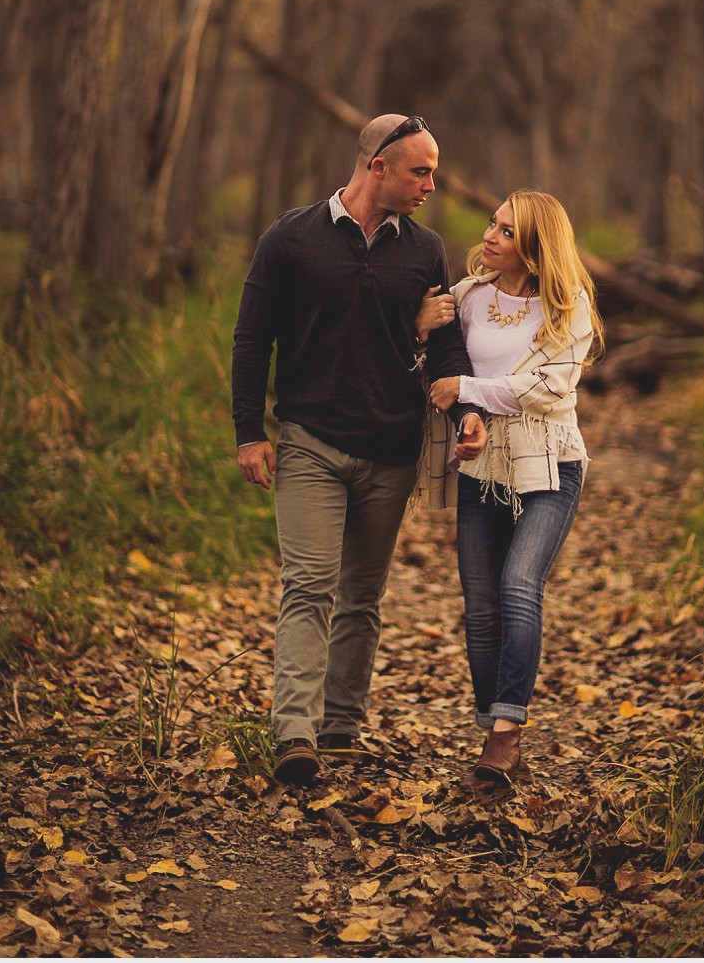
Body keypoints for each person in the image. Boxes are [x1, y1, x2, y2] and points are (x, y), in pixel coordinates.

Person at [232, 114, 488, 786]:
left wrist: (465, 407)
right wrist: (249, 432)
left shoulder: (425, 249)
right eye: (420, 171)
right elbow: (252, 338)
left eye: (433, 171)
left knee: (361, 594)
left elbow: (444, 345)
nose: (432, 184)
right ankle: (294, 733)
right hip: (311, 441)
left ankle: (339, 723)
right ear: (378, 164)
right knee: (309, 584)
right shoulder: (291, 238)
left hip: (392, 449)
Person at [415, 190, 604, 789]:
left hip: (550, 464)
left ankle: (505, 734)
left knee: (520, 584)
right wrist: (425, 339)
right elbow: (435, 366)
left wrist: (468, 392)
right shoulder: (469, 297)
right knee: (480, 606)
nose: (489, 235)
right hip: (481, 465)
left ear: (534, 245)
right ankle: (491, 724)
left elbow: (547, 389)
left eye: (506, 230)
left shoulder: (566, 304)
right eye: (492, 224)